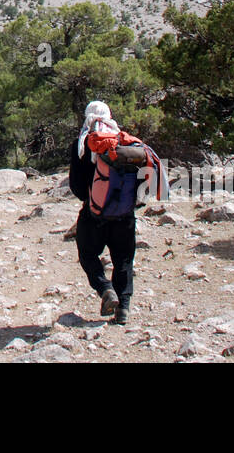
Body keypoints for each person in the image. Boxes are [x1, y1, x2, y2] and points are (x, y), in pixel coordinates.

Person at [67, 101, 163, 324]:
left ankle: (105, 289)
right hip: (125, 215)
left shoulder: (82, 144)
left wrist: (91, 199)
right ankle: (124, 309)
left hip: (94, 215)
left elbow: (77, 186)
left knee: (87, 255)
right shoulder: (126, 142)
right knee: (123, 260)